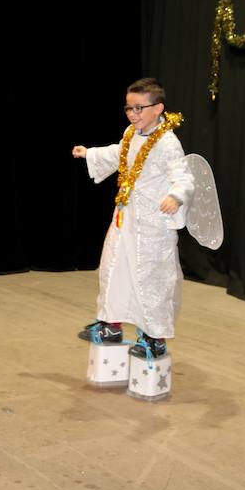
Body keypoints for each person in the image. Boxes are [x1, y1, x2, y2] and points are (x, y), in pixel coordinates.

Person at [72, 78, 194, 360]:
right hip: (126, 217)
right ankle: (111, 325)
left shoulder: (167, 142)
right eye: (129, 108)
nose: (133, 114)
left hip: (153, 225)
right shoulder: (131, 132)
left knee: (151, 279)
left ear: (158, 108)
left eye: (139, 108)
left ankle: (154, 337)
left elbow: (184, 176)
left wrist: (175, 196)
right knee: (113, 269)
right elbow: (121, 153)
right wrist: (90, 153)